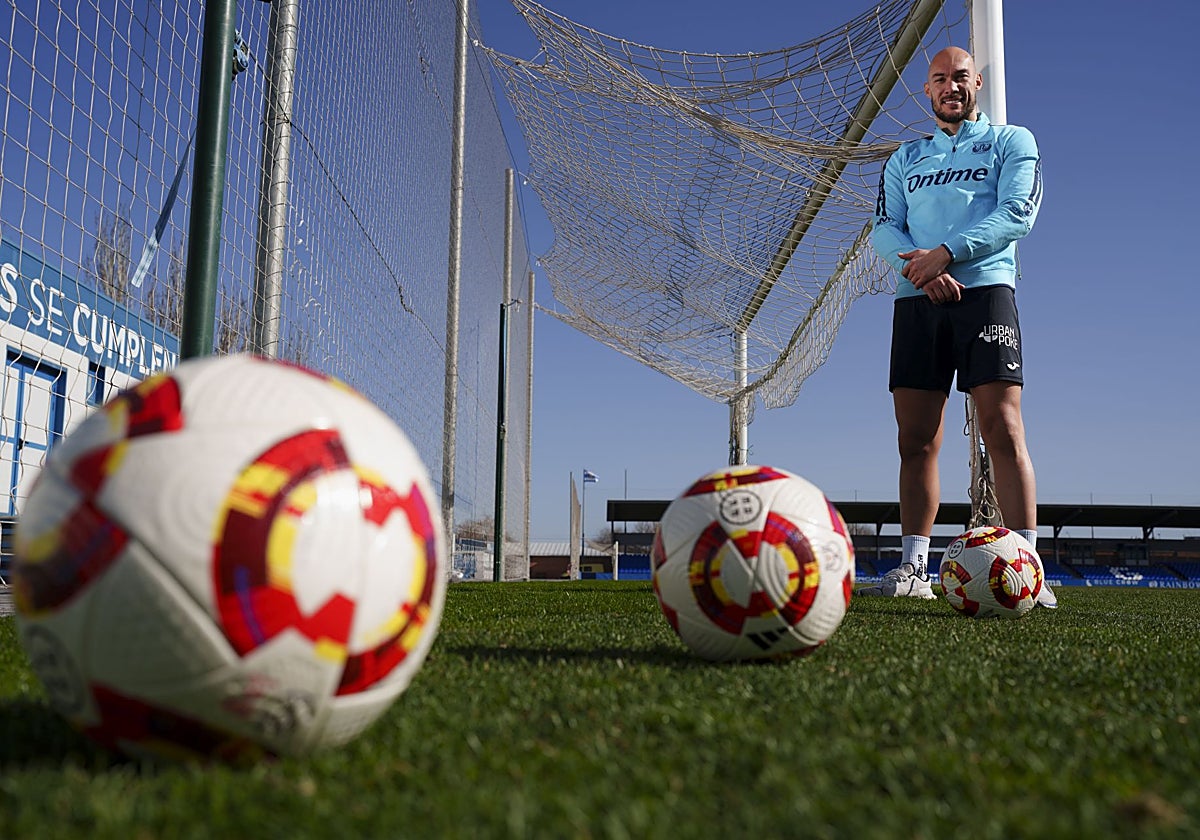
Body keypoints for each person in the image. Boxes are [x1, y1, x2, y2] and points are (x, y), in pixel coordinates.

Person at [861, 46, 1055, 607]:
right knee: (915, 439)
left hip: (986, 292)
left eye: (961, 77)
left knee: (1003, 427)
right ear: (927, 90)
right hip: (916, 298)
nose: (951, 86)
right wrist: (922, 272)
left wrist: (946, 254)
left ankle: (1027, 564)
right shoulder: (905, 158)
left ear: (977, 84)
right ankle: (913, 569)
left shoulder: (1012, 141)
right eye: (940, 78)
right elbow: (882, 229)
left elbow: (1018, 212)